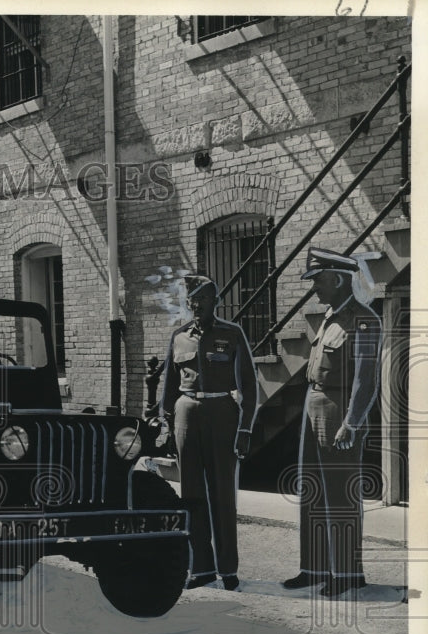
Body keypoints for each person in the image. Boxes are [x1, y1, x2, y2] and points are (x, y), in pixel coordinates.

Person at [283, 246, 382, 598]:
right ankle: (313, 568)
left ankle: (346, 573)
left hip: (339, 410)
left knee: (340, 495)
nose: (315, 288)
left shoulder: (364, 319)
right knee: (311, 491)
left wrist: (352, 423)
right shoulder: (329, 317)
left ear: (339, 279)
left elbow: (365, 379)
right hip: (314, 403)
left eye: (320, 281)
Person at [160, 274, 259, 591]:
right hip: (186, 417)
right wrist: (166, 427)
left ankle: (227, 568)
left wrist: (244, 428)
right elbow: (169, 389)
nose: (197, 305)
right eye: (192, 301)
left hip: (222, 416)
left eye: (203, 299)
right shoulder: (179, 337)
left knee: (222, 495)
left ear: (215, 302)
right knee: (191, 494)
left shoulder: (231, 334)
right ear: (187, 304)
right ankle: (200, 568)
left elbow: (249, 385)